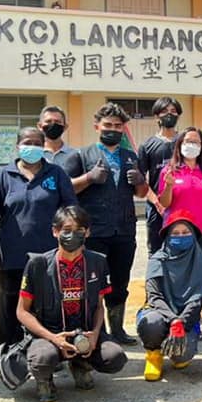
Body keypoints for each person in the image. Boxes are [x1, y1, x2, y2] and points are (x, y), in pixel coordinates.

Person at [16, 206, 128, 402]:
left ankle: (80, 364)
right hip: (49, 334)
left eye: (79, 229)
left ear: (88, 232)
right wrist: (53, 338)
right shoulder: (38, 264)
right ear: (55, 231)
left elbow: (100, 306)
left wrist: (94, 334)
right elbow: (22, 311)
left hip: (84, 333)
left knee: (115, 357)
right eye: (66, 229)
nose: (72, 235)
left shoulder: (97, 262)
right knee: (42, 359)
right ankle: (45, 380)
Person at [63, 102, 147, 345]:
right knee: (93, 282)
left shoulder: (130, 156)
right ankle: (96, 329)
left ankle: (118, 329)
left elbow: (141, 193)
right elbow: (67, 187)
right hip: (94, 231)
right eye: (108, 125)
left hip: (123, 230)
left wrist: (140, 180)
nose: (113, 129)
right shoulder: (81, 155)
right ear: (97, 126)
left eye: (118, 126)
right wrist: (89, 178)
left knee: (120, 282)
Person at [0, 126, 77, 347]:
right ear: (18, 146)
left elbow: (70, 212)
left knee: (48, 308)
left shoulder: (56, 174)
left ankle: (48, 355)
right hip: (12, 258)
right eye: (27, 143)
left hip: (48, 258)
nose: (32, 147)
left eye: (37, 144)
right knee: (10, 308)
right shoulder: (4, 175)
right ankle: (9, 355)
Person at [137, 210, 202, 380]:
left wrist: (182, 321)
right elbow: (154, 297)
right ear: (167, 236)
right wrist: (173, 319)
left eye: (186, 233)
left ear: (193, 235)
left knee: (182, 356)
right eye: (176, 233)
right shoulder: (157, 260)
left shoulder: (200, 263)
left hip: (186, 318)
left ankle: (176, 352)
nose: (181, 236)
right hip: (159, 312)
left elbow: (196, 300)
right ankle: (153, 355)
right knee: (152, 324)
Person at [157, 127, 202, 257]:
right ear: (180, 144)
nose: (191, 145)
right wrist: (169, 186)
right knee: (178, 271)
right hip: (178, 231)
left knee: (200, 271)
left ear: (201, 146)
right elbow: (164, 203)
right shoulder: (169, 170)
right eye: (187, 141)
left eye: (195, 142)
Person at [137, 96, 183, 255]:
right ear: (156, 116)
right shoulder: (147, 145)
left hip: (183, 205)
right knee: (157, 252)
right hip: (157, 209)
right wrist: (156, 202)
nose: (169, 114)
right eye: (164, 111)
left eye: (173, 111)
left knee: (183, 248)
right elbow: (141, 181)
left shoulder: (185, 142)